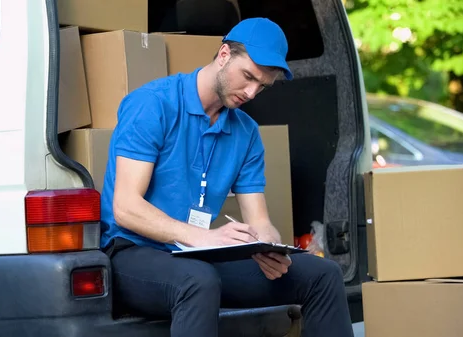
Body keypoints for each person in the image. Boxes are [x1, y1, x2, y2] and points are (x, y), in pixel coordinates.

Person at [99, 17, 355, 337]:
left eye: (262, 86)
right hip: (133, 253)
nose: (251, 92)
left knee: (323, 275)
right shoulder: (153, 104)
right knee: (199, 280)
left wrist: (269, 247)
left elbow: (259, 219)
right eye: (247, 76)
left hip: (198, 255)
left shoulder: (245, 132)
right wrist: (203, 236)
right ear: (223, 55)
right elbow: (125, 207)